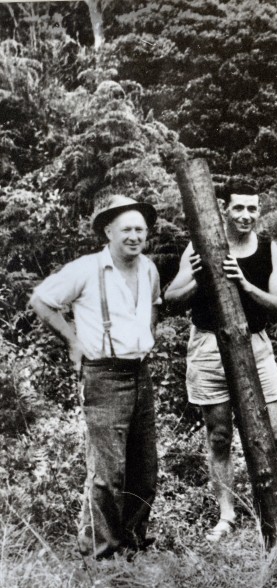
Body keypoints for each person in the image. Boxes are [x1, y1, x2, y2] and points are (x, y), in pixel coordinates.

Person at [30, 195, 161, 559]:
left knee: (145, 470)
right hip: (104, 375)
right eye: (126, 230)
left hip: (140, 372)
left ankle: (132, 546)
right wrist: (73, 342)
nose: (134, 236)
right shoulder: (87, 269)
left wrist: (145, 339)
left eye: (140, 229)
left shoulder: (148, 268)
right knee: (107, 473)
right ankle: (101, 555)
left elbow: (152, 307)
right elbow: (42, 300)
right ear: (108, 232)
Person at [164, 190, 277, 542]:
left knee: (274, 433)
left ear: (260, 211)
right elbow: (171, 298)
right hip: (208, 344)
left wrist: (245, 284)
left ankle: (269, 506)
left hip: (255, 345)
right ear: (225, 209)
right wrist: (200, 279)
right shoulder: (201, 244)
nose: (245, 215)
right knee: (219, 435)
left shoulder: (267, 249)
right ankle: (227, 515)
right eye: (239, 207)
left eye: (252, 208)